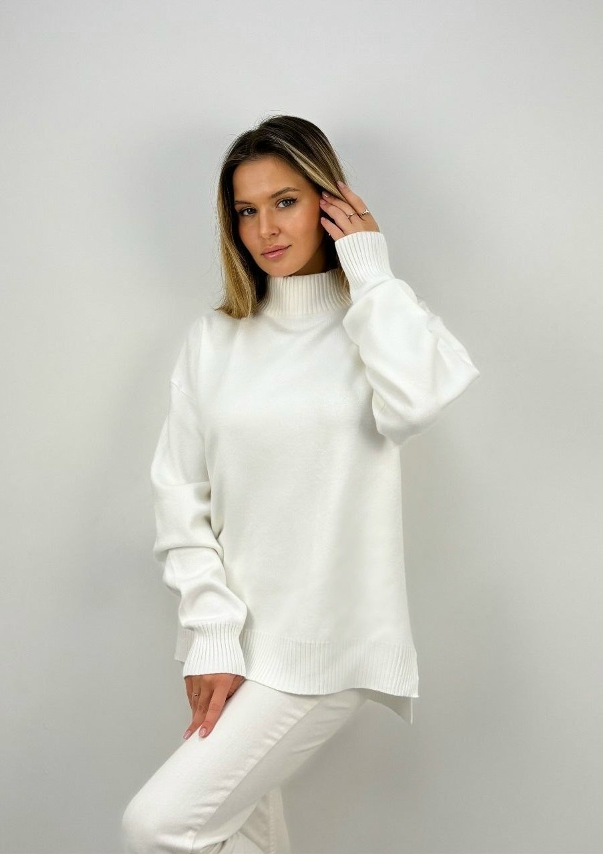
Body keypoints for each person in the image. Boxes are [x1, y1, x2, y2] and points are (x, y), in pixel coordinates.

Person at [121, 114, 481, 853]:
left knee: (157, 827)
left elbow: (415, 403)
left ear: (329, 199)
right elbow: (180, 496)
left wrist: (370, 267)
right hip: (235, 644)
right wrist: (211, 638)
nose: (265, 229)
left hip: (327, 643)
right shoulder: (215, 338)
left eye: (284, 201)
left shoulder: (378, 319)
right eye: (246, 211)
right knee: (243, 841)